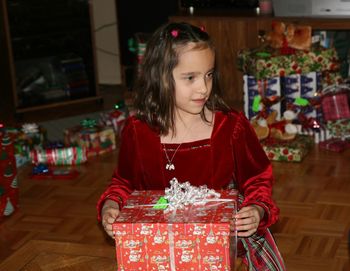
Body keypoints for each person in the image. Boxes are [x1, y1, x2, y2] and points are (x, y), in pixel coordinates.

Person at [97, 22, 286, 270]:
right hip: (158, 247)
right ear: (160, 78)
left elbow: (258, 178)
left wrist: (256, 209)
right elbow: (124, 183)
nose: (204, 88)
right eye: (190, 78)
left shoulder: (231, 127)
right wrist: (112, 205)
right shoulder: (137, 131)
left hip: (221, 246)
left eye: (208, 74)